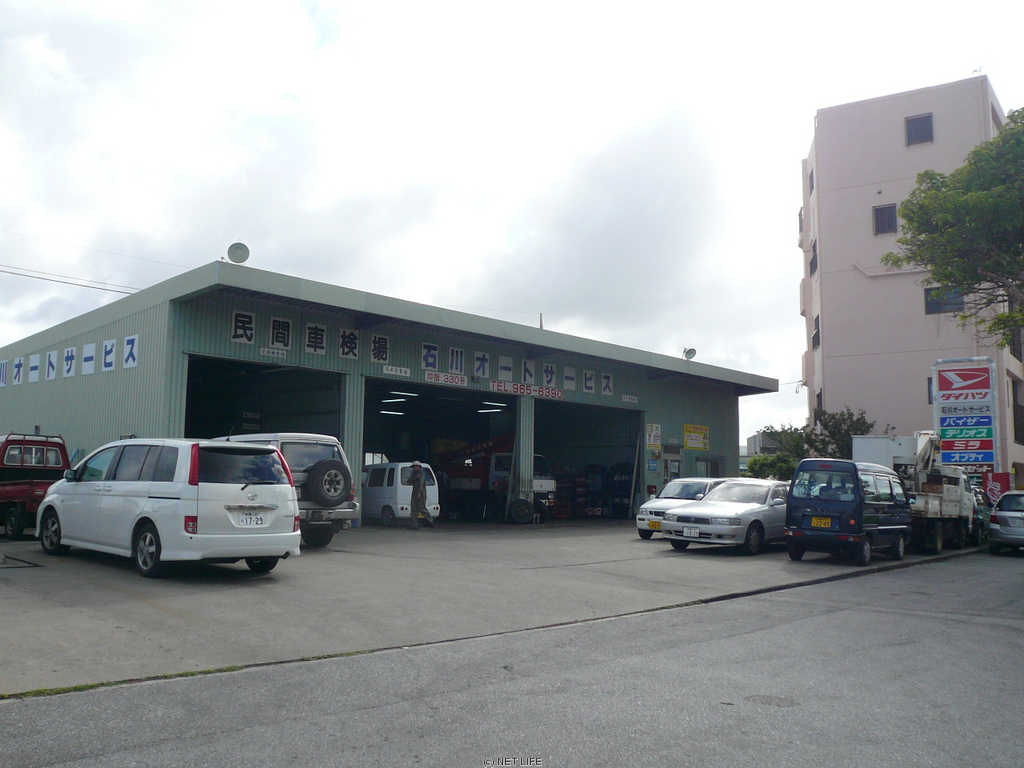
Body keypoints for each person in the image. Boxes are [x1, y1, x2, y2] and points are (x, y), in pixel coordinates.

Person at [407, 461, 433, 529]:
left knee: (421, 508)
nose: (415, 467)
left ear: (419, 467)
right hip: (414, 493)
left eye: (416, 466)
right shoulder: (414, 474)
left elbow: (421, 484)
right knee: (413, 509)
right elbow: (409, 481)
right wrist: (415, 477)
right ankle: (414, 525)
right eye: (414, 466)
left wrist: (419, 494)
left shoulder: (422, 473)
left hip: (421, 493)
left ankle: (430, 520)